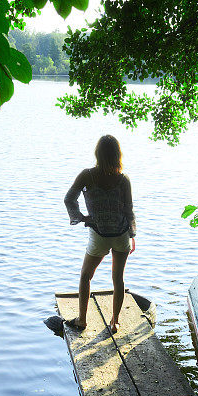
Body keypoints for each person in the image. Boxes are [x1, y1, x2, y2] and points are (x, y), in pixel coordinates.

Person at [64, 135, 136, 333]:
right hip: (121, 234)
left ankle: (82, 320)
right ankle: (115, 322)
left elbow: (69, 199)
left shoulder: (87, 175)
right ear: (117, 155)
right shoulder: (123, 179)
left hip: (99, 235)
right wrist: (132, 234)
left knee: (86, 276)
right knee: (118, 279)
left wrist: (81, 218)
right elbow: (129, 210)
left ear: (97, 154)